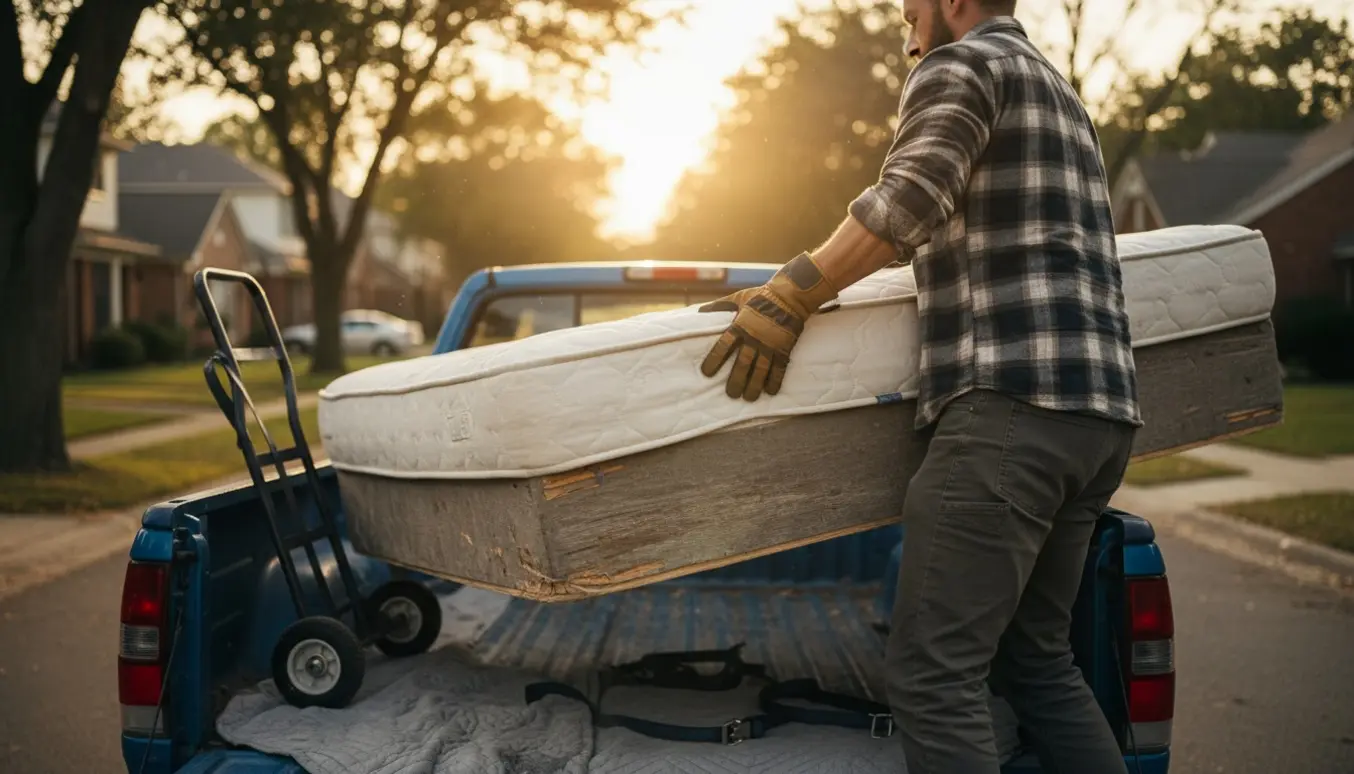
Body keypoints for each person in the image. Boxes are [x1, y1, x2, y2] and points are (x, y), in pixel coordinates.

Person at [695, 0, 1142, 772]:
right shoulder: (1059, 91)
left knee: (934, 676)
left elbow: (905, 200)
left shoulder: (963, 64)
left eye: (911, 17)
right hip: (1098, 418)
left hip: (1010, 410)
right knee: (1037, 662)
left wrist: (792, 293)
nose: (909, 41)